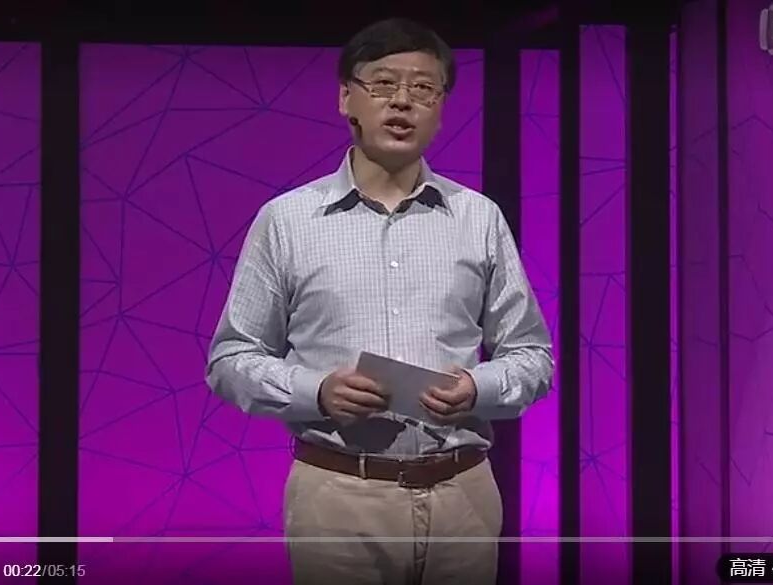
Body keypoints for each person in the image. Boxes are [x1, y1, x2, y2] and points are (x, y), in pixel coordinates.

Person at [205, 17, 553, 585]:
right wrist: (317, 391)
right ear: (347, 97)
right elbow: (230, 360)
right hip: (338, 496)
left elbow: (533, 356)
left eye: (423, 88)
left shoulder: (479, 218)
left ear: (441, 108)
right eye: (384, 84)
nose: (402, 101)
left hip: (463, 495)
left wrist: (477, 388)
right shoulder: (288, 220)